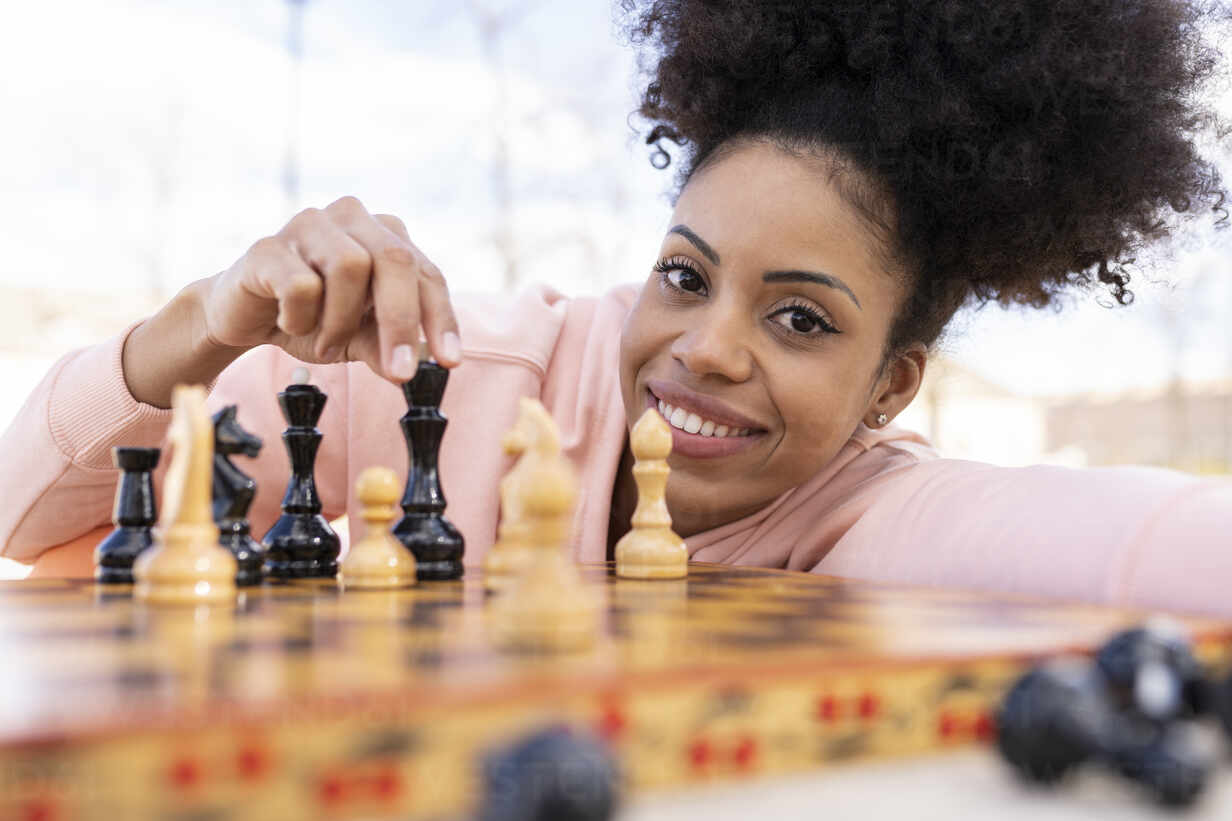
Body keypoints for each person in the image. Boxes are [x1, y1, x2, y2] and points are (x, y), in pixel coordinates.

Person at [2, 0, 1230, 615]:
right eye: (685, 275)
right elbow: (22, 516)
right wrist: (204, 322)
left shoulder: (864, 508)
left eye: (799, 319)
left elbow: (1132, 533)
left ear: (893, 385)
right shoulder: (437, 370)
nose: (704, 347)